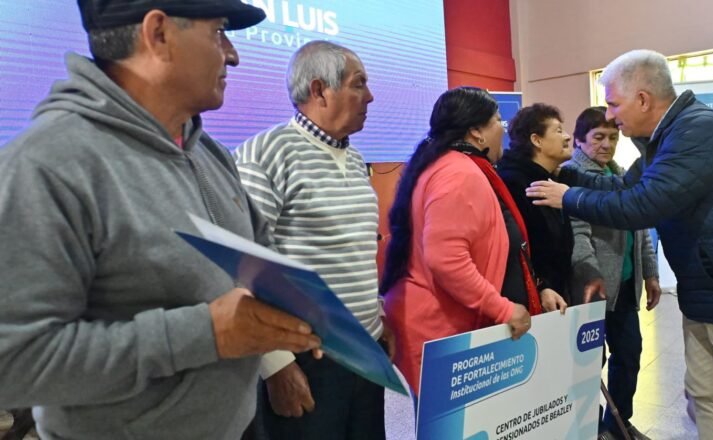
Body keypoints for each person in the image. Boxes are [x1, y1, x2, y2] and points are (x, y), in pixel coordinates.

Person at [0, 1, 323, 439]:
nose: (232, 55)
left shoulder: (208, 153)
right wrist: (205, 334)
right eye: (218, 32)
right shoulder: (45, 166)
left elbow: (258, 251)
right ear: (159, 34)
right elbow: (14, 362)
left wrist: (298, 304)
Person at [526, 49, 713, 440]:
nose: (610, 116)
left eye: (613, 103)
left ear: (642, 99)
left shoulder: (697, 132)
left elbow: (642, 205)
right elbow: (624, 186)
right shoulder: (667, 137)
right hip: (709, 291)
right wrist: (569, 178)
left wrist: (568, 198)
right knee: (706, 398)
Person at [235, 40, 391, 440]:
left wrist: (376, 317)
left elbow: (353, 250)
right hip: (306, 359)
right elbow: (242, 267)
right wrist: (276, 365)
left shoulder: (354, 158)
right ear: (320, 90)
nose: (370, 97)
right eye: (359, 84)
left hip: (364, 350)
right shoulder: (265, 154)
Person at [380, 87, 533, 394]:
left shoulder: (442, 165)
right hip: (438, 327)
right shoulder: (458, 173)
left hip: (434, 322)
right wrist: (503, 309)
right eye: (497, 120)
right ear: (476, 131)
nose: (503, 129)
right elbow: (446, 259)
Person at [565, 106, 660, 440]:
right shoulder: (571, 175)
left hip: (626, 287)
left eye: (613, 137)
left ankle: (618, 425)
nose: (606, 144)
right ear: (579, 140)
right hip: (593, 291)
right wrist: (591, 276)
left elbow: (640, 227)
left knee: (629, 355)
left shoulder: (619, 174)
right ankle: (589, 428)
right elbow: (577, 234)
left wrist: (650, 272)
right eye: (598, 137)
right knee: (591, 363)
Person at [495, 103, 578, 312]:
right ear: (537, 140)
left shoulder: (551, 180)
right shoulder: (514, 183)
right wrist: (541, 285)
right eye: (558, 131)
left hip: (556, 293)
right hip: (531, 301)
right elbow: (519, 247)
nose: (567, 137)